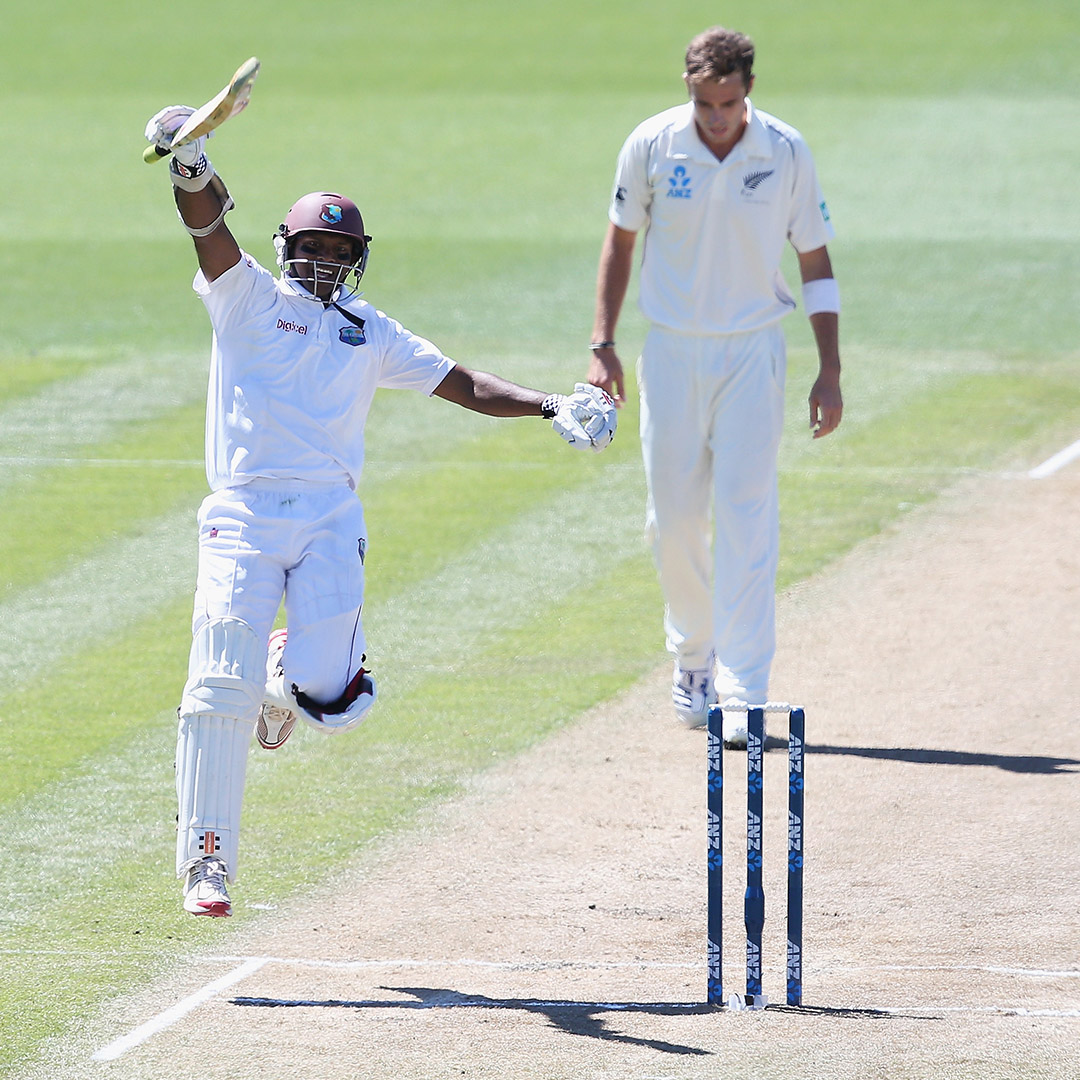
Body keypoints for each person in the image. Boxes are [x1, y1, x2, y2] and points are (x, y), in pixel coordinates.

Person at [144, 106, 616, 917]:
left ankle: (286, 665)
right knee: (215, 684)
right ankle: (206, 864)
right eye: (312, 248)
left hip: (330, 517)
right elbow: (207, 225)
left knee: (330, 696)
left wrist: (547, 406)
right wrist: (191, 165)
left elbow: (463, 384)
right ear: (286, 249)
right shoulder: (245, 298)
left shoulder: (371, 332)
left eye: (339, 252)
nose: (325, 262)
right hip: (243, 516)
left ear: (356, 261)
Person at [586, 27, 842, 747]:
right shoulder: (653, 145)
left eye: (728, 102)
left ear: (748, 91)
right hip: (671, 353)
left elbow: (816, 260)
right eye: (704, 102)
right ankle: (694, 658)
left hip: (754, 352)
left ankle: (743, 687)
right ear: (689, 89)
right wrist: (602, 344)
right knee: (674, 521)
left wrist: (832, 367)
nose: (716, 117)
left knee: (747, 513)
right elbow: (619, 243)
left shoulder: (786, 151)